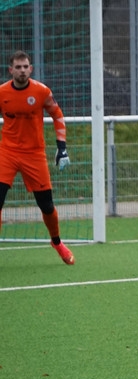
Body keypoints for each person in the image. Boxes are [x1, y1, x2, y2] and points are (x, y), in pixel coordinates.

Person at [0, 51, 75, 264]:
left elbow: (57, 115)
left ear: (31, 69)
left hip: (34, 154)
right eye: (18, 67)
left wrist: (62, 148)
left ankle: (57, 242)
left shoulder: (41, 91)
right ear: (11, 70)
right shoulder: (2, 92)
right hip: (7, 152)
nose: (22, 70)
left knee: (47, 205)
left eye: (25, 67)